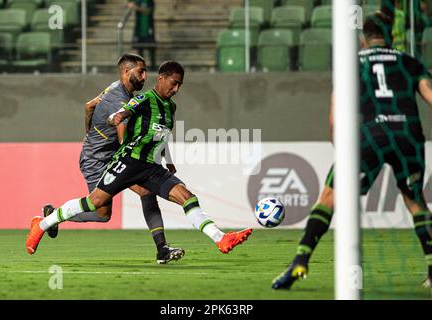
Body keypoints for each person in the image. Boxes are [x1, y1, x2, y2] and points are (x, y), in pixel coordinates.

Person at [272, 12, 432, 290]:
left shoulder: (351, 64)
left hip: (369, 136)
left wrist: (342, 151)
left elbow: (336, 118)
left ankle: (300, 259)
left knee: (330, 196)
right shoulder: (410, 62)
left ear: (363, 38)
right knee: (415, 201)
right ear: (392, 36)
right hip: (407, 135)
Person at [26, 60, 252, 256]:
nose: (176, 89)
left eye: (180, 85)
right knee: (94, 203)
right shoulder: (144, 99)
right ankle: (43, 224)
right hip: (129, 162)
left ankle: (220, 238)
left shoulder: (170, 107)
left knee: (187, 197)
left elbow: (161, 135)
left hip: (151, 167)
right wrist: (117, 116)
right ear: (161, 78)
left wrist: (169, 160)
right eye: (174, 83)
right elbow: (125, 111)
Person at [43, 54, 184, 264]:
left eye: (146, 71)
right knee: (102, 213)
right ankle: (53, 216)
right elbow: (123, 138)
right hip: (96, 159)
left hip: (108, 154)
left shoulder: (114, 87)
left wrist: (89, 133)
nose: (145, 76)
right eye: (140, 71)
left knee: (146, 191)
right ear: (127, 72)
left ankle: (162, 248)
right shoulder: (122, 101)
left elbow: (89, 106)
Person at [127, 0, 156, 71]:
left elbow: (148, 11)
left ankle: (153, 66)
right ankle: (141, 66)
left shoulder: (150, 1)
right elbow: (130, 2)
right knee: (140, 48)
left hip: (148, 28)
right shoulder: (138, 1)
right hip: (139, 28)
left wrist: (136, 7)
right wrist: (129, 4)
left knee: (152, 47)